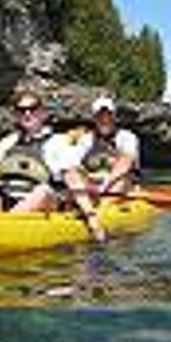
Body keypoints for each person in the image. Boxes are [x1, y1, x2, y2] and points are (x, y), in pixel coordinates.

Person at [0, 88, 73, 217]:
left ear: (42, 113)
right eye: (21, 110)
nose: (27, 114)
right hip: (8, 198)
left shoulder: (58, 142)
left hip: (42, 201)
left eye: (33, 109)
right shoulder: (7, 143)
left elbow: (68, 179)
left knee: (43, 191)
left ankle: (5, 227)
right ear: (16, 115)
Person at [61, 95, 141, 242]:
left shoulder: (126, 137)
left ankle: (96, 215)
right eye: (100, 116)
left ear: (114, 117)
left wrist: (106, 183)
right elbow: (72, 162)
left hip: (117, 186)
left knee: (122, 178)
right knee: (69, 172)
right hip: (93, 187)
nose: (104, 120)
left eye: (108, 115)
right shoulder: (86, 139)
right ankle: (91, 216)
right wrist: (87, 179)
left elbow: (127, 161)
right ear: (94, 118)